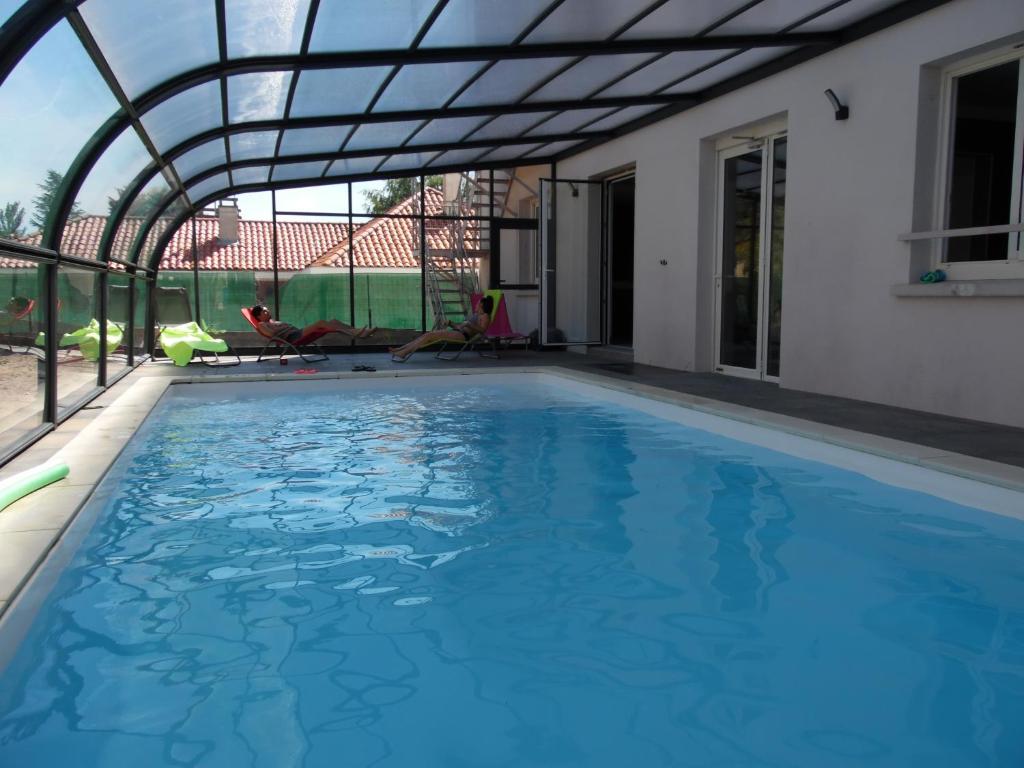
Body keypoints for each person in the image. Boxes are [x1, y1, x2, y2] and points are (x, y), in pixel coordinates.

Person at [389, 295, 493, 361]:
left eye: (479, 303)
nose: (477, 304)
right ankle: (401, 349)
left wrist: (468, 324)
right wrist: (451, 323)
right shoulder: (475, 315)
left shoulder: (485, 316)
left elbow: (482, 331)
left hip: (463, 336)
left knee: (430, 336)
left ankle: (404, 353)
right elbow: (460, 326)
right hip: (458, 331)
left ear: (482, 305)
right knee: (427, 335)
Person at [249, 305, 374, 343]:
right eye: (265, 311)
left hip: (297, 332)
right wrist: (277, 329)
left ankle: (357, 331)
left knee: (334, 321)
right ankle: (357, 333)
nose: (268, 311)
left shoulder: (272, 321)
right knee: (320, 323)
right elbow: (272, 336)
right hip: (292, 337)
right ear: (259, 315)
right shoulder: (262, 325)